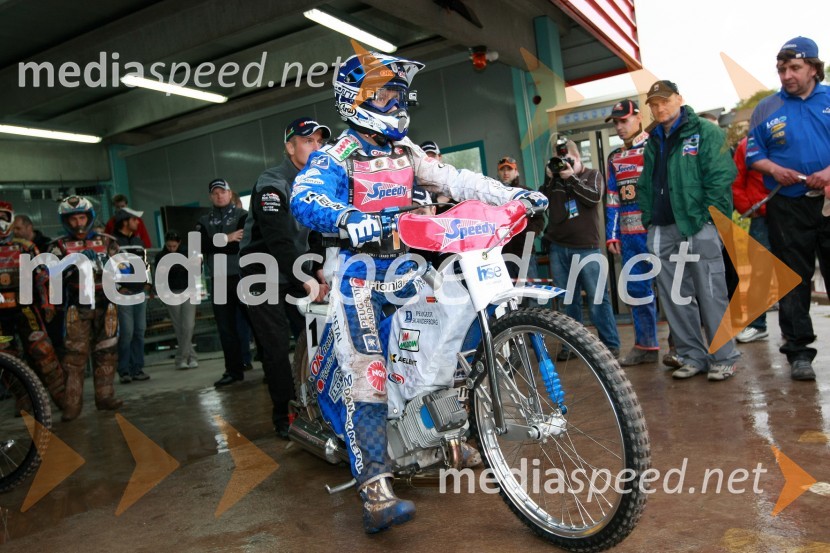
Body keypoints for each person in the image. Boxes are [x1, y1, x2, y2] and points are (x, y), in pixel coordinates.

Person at [289, 51, 547, 533]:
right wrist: (347, 218)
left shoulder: (405, 150)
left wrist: (512, 195)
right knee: (370, 373)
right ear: (357, 98)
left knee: (442, 349)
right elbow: (305, 197)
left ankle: (440, 436)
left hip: (410, 271)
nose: (395, 100)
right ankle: (375, 489)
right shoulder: (337, 155)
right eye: (385, 92)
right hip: (361, 279)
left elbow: (457, 179)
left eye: (398, 93)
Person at [636, 80, 740, 382]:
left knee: (711, 292)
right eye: (653, 104)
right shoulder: (654, 139)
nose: (659, 108)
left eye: (664, 101)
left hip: (698, 224)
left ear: (679, 98)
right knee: (675, 297)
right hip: (662, 228)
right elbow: (646, 184)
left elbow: (721, 178)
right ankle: (692, 355)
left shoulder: (707, 132)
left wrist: (709, 220)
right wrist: (648, 219)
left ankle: (724, 357)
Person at [239, 116, 332, 438]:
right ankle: (284, 415)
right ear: (290, 146)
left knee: (314, 338)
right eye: (308, 141)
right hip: (260, 273)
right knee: (277, 347)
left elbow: (317, 230)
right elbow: (277, 237)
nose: (316, 147)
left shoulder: (315, 183)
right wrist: (304, 279)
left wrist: (319, 269)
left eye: (320, 141)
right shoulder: (272, 183)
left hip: (294, 269)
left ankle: (318, 403)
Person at [746, 36, 830, 381]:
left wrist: (827, 173)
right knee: (793, 279)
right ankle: (798, 352)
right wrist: (773, 169)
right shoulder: (766, 108)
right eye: (782, 69)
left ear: (813, 67)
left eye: (794, 68)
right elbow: (753, 155)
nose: (787, 75)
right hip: (787, 205)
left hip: (827, 202)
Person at [540, 139, 621, 359]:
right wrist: (549, 180)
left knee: (597, 299)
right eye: (559, 161)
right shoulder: (554, 181)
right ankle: (573, 346)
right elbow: (542, 205)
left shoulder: (591, 175)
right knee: (568, 302)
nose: (563, 166)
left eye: (568, 160)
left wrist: (572, 179)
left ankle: (610, 344)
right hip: (558, 249)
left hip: (587, 248)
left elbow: (594, 198)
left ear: (578, 158)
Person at [50, 196, 122, 421]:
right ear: (65, 221)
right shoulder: (57, 246)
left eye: (82, 217)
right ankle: (71, 405)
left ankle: (105, 397)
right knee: (74, 356)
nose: (78, 223)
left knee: (107, 350)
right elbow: (49, 275)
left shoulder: (108, 240)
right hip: (76, 304)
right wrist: (71, 265)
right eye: (73, 219)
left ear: (89, 217)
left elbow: (122, 269)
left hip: (105, 301)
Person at [605, 100, 660, 366]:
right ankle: (646, 345)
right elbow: (613, 199)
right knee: (636, 289)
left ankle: (681, 346)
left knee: (674, 289)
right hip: (629, 236)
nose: (619, 127)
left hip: (658, 231)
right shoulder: (614, 157)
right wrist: (612, 234)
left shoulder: (656, 146)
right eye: (616, 122)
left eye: (624, 120)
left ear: (638, 118)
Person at [0, 201, 66, 409]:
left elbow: (41, 277)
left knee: (43, 350)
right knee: (5, 358)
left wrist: (47, 303)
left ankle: (61, 396)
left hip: (26, 307)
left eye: (3, 216)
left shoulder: (26, 247)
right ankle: (24, 399)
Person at [197, 179, 249, 387]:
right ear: (211, 196)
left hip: (242, 277)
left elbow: (242, 244)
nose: (219, 196)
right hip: (218, 280)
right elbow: (199, 245)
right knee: (225, 328)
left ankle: (266, 365)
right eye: (215, 193)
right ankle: (233, 371)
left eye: (223, 192)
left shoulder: (242, 216)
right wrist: (227, 238)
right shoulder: (203, 220)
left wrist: (215, 243)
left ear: (230, 193)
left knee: (255, 323)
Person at [731, 136, 772, 344]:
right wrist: (748, 208)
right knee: (759, 272)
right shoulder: (747, 145)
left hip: (793, 210)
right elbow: (736, 180)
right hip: (761, 215)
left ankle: (795, 331)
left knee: (797, 269)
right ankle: (757, 324)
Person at [112, 207, 150, 383]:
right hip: (124, 294)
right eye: (134, 220)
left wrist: (147, 283)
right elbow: (110, 267)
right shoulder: (114, 243)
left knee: (139, 331)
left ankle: (137, 368)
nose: (137, 222)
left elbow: (145, 263)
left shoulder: (138, 241)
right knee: (127, 332)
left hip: (139, 291)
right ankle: (124, 370)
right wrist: (118, 287)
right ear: (125, 221)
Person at [154, 230, 198, 369]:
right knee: (179, 326)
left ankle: (181, 358)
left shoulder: (188, 253)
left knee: (188, 325)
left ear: (179, 243)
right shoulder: (160, 256)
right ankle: (189, 357)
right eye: (169, 246)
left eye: (174, 246)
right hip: (170, 291)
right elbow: (159, 277)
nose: (172, 249)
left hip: (188, 290)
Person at [497, 156, 543, 282]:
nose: (506, 173)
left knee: (531, 294)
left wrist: (527, 235)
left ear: (516, 172)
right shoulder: (493, 195)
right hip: (502, 253)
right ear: (498, 172)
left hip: (525, 251)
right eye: (502, 170)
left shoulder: (527, 193)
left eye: (509, 169)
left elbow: (539, 220)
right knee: (509, 294)